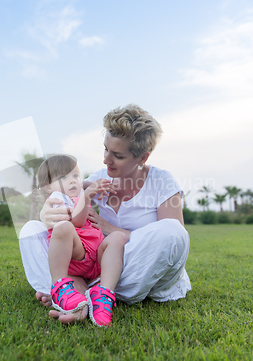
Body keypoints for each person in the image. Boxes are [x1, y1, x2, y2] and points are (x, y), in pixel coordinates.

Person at [19, 103, 191, 324]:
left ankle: (80, 291)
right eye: (105, 149)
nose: (106, 160)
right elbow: (62, 199)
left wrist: (109, 228)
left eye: (117, 156)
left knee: (172, 232)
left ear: (142, 158)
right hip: (98, 264)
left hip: (139, 263)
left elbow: (174, 242)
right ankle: (79, 295)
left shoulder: (162, 181)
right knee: (31, 230)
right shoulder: (98, 178)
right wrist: (46, 215)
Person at [37, 154, 128, 326]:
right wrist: (87, 196)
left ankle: (103, 294)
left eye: (75, 176)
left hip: (95, 257)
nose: (72, 181)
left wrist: (98, 187)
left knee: (118, 237)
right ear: (48, 187)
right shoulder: (56, 199)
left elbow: (87, 187)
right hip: (77, 254)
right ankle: (59, 287)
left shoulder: (77, 194)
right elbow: (76, 221)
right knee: (64, 227)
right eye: (63, 177)